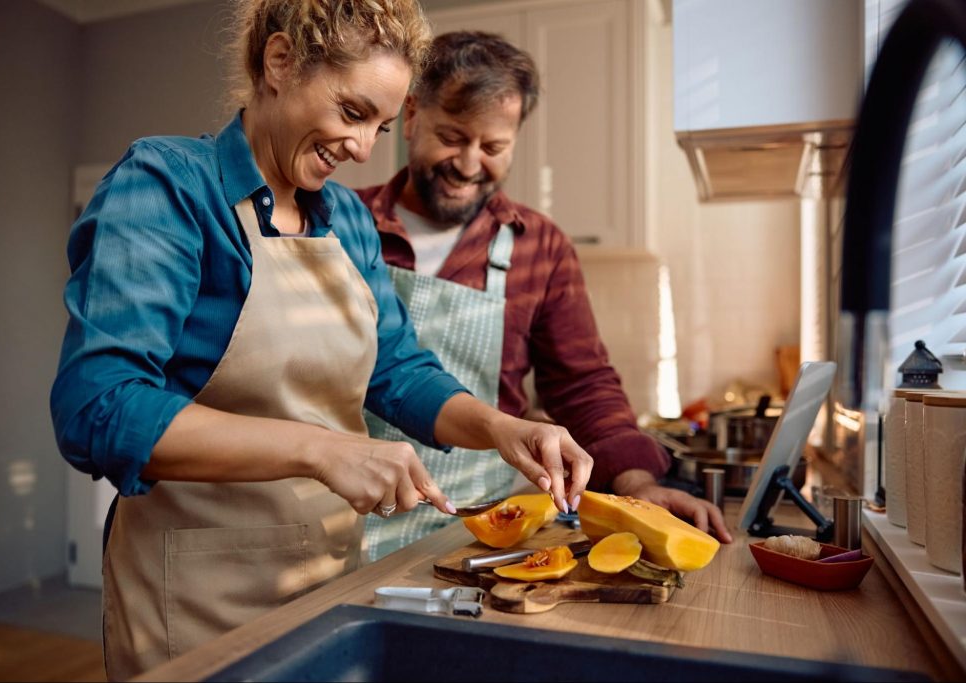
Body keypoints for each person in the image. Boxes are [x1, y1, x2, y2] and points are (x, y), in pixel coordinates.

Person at [50, 4, 593, 679]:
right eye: (352, 112)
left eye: (381, 127)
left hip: (327, 584)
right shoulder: (171, 187)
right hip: (193, 595)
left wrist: (502, 427)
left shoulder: (347, 222)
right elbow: (99, 408)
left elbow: (396, 370)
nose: (363, 149)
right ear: (280, 62)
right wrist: (321, 448)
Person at [357, 31, 732, 561]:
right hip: (345, 521)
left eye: (493, 148)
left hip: (477, 532)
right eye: (452, 137)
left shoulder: (539, 246)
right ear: (412, 115)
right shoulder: (346, 224)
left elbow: (582, 383)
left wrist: (638, 485)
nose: (469, 164)